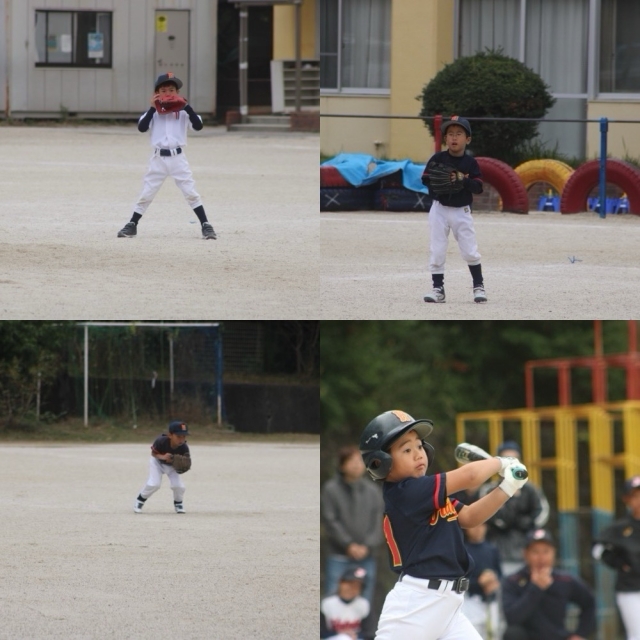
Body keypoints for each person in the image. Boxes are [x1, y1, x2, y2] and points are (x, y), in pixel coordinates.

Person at [359, 409, 529, 640]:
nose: (418, 454)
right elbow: (470, 476)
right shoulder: (407, 493)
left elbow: (469, 517)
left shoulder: (424, 496)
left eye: (419, 446)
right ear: (381, 463)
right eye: (406, 450)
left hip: (449, 607)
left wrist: (508, 487)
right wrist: (502, 462)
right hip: (416, 606)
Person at [118, 72, 217, 239]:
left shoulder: (183, 111)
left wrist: (186, 107)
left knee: (190, 191)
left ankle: (206, 225)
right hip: (158, 159)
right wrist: (152, 107)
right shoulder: (154, 112)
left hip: (178, 158)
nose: (168, 93)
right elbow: (142, 127)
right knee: (147, 192)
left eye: (172, 90)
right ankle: (132, 225)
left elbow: (198, 126)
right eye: (163, 90)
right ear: (156, 93)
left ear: (178, 92)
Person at [421, 116, 486, 304]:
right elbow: (425, 179)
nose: (454, 137)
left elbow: (478, 187)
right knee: (437, 250)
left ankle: (478, 286)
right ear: (445, 139)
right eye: (450, 134)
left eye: (459, 133)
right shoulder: (438, 159)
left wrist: (463, 180)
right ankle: (438, 289)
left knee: (470, 251)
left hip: (461, 211)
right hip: (439, 209)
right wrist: (439, 186)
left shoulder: (470, 163)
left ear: (468, 139)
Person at [502, 528, 596, 640]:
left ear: (553, 553)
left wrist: (580, 634)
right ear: (525, 554)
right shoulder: (514, 581)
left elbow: (589, 602)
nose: (541, 558)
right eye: (535, 552)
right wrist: (536, 588)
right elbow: (511, 618)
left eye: (546, 551)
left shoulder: (564, 580)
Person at [321, 444, 384, 605]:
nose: (356, 464)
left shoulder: (373, 491)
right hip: (338, 556)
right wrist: (348, 544)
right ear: (342, 465)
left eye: (360, 460)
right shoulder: (331, 490)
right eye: (351, 460)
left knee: (364, 602)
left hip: (366, 556)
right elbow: (330, 520)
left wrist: (367, 546)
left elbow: (378, 521)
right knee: (333, 599)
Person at [481, 440, 550, 576]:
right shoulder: (489, 489)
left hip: (525, 553)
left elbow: (542, 511)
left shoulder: (531, 490)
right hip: (497, 552)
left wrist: (529, 523)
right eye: (507, 460)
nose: (511, 465)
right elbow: (486, 514)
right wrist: (503, 520)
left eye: (514, 460)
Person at [593, 475, 640, 640]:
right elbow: (598, 549)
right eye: (635, 496)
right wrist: (620, 563)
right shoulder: (621, 528)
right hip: (631, 588)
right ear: (627, 499)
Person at [133, 420, 191, 514]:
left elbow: (186, 461)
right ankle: (140, 500)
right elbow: (153, 453)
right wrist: (163, 457)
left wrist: (177, 462)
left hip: (171, 466)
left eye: (183, 436)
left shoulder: (184, 447)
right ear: (170, 435)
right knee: (154, 484)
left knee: (178, 486)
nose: (181, 439)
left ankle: (178, 503)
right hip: (157, 463)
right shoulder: (161, 441)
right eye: (178, 436)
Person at [461, 523, 502, 639]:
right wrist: (479, 582)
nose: (478, 529)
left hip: (491, 599)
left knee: (494, 632)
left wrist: (493, 581)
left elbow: (500, 574)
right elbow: (459, 580)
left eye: (481, 525)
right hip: (470, 600)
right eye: (474, 525)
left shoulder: (492, 549)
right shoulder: (463, 550)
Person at [320, 566, 375, 640]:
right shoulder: (327, 603)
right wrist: (340, 633)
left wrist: (353, 634)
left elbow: (369, 633)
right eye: (349, 583)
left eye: (357, 586)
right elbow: (321, 632)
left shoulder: (364, 604)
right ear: (340, 582)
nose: (352, 588)